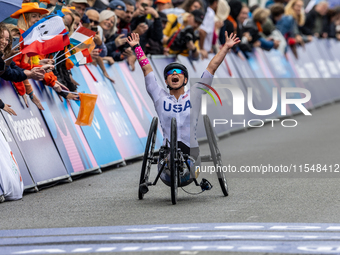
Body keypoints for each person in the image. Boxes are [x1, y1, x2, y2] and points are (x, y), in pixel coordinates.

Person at [126, 31, 240, 184]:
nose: (174, 74)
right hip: (167, 150)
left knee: (187, 163)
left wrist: (226, 47)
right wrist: (137, 47)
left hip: (190, 150)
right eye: (170, 73)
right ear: (166, 80)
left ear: (185, 79)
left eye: (179, 72)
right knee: (169, 158)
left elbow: (211, 68)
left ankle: (189, 173)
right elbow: (147, 70)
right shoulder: (159, 95)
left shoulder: (195, 94)